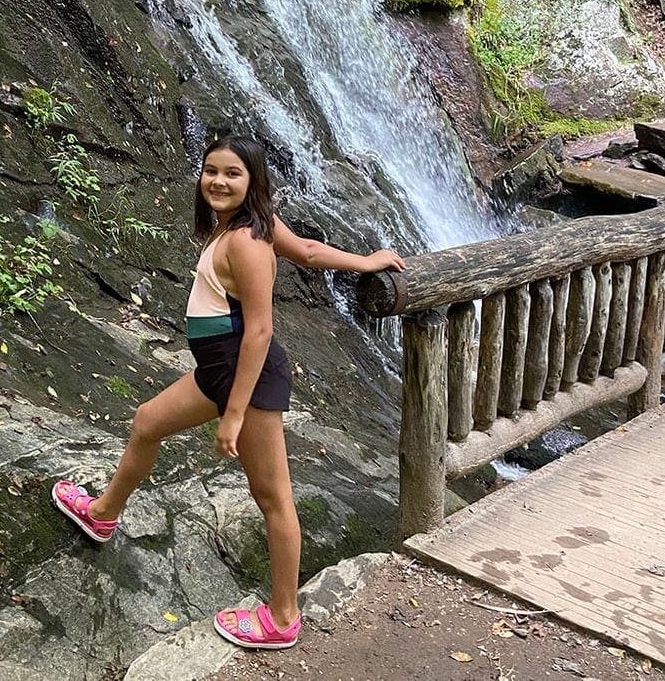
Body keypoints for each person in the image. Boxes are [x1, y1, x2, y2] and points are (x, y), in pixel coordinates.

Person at [52, 135, 405, 650]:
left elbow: (260, 331)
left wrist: (234, 415)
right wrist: (364, 259)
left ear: (252, 181)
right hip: (218, 370)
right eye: (210, 170)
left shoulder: (245, 241)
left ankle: (283, 618)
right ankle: (103, 515)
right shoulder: (247, 227)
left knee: (273, 498)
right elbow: (307, 251)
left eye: (232, 173)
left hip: (247, 376)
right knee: (147, 422)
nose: (218, 181)